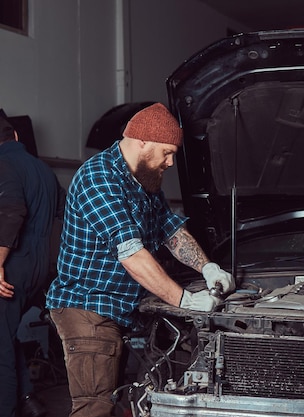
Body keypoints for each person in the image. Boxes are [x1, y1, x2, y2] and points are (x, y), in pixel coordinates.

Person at [45, 102, 235, 417]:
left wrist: (207, 266)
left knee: (126, 403)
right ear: (142, 142)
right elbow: (131, 254)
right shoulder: (99, 178)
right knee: (94, 409)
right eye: (167, 152)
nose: (171, 162)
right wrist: (185, 299)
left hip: (121, 311)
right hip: (89, 309)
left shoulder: (144, 183)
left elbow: (172, 232)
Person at [0, 113, 65, 417]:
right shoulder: (43, 170)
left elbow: (13, 212)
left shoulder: (3, 164)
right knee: (6, 336)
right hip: (39, 270)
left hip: (12, 268)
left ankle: (8, 408)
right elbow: (65, 212)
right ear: (15, 136)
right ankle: (28, 399)